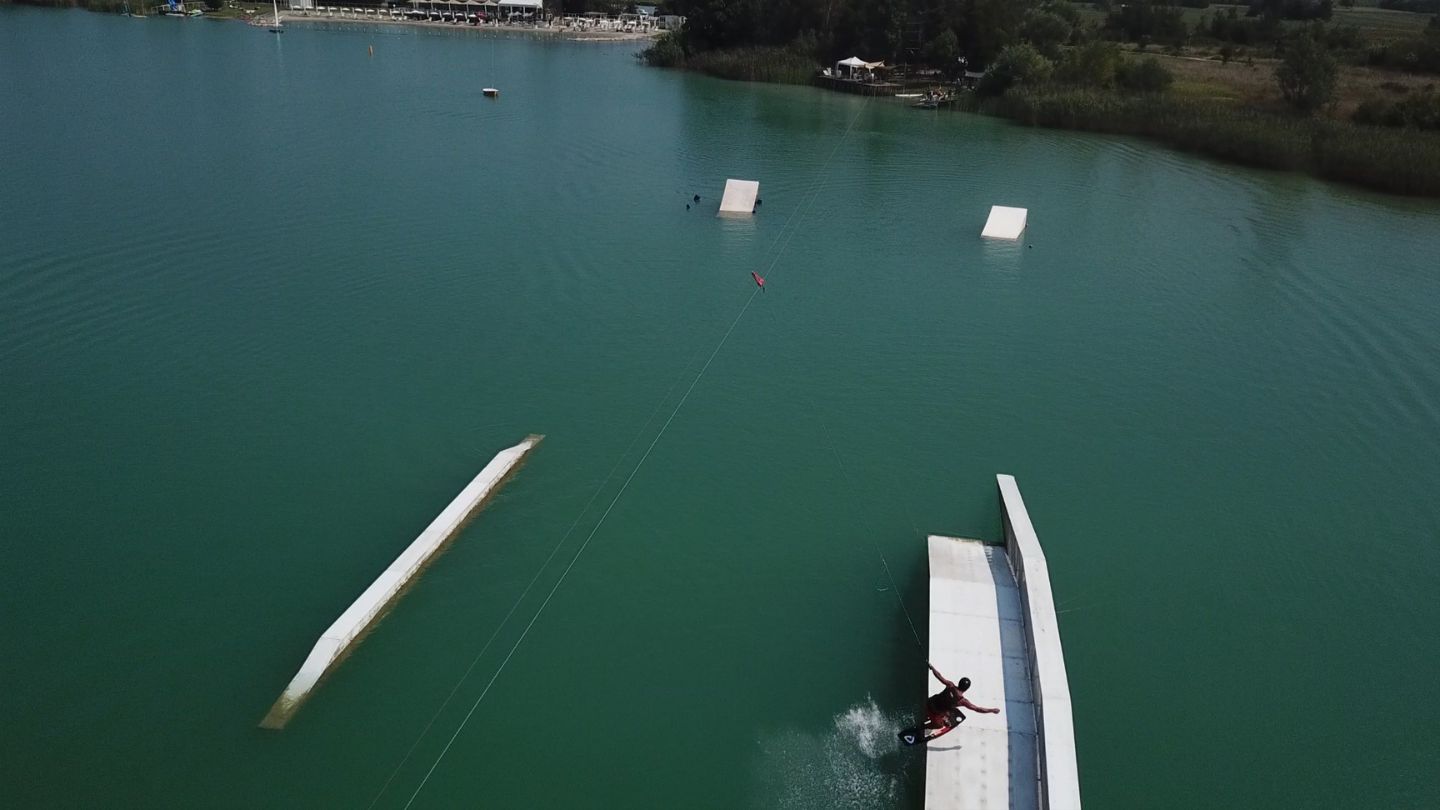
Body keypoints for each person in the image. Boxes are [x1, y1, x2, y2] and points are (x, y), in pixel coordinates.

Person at [921, 662, 999, 740]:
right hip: (935, 711)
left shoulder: (950, 685)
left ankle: (939, 716)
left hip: (929, 702)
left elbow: (939, 676)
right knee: (939, 725)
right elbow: (978, 709)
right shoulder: (962, 701)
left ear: (959, 683)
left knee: (948, 709)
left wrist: (932, 667)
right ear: (966, 689)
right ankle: (921, 727)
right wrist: (992, 710)